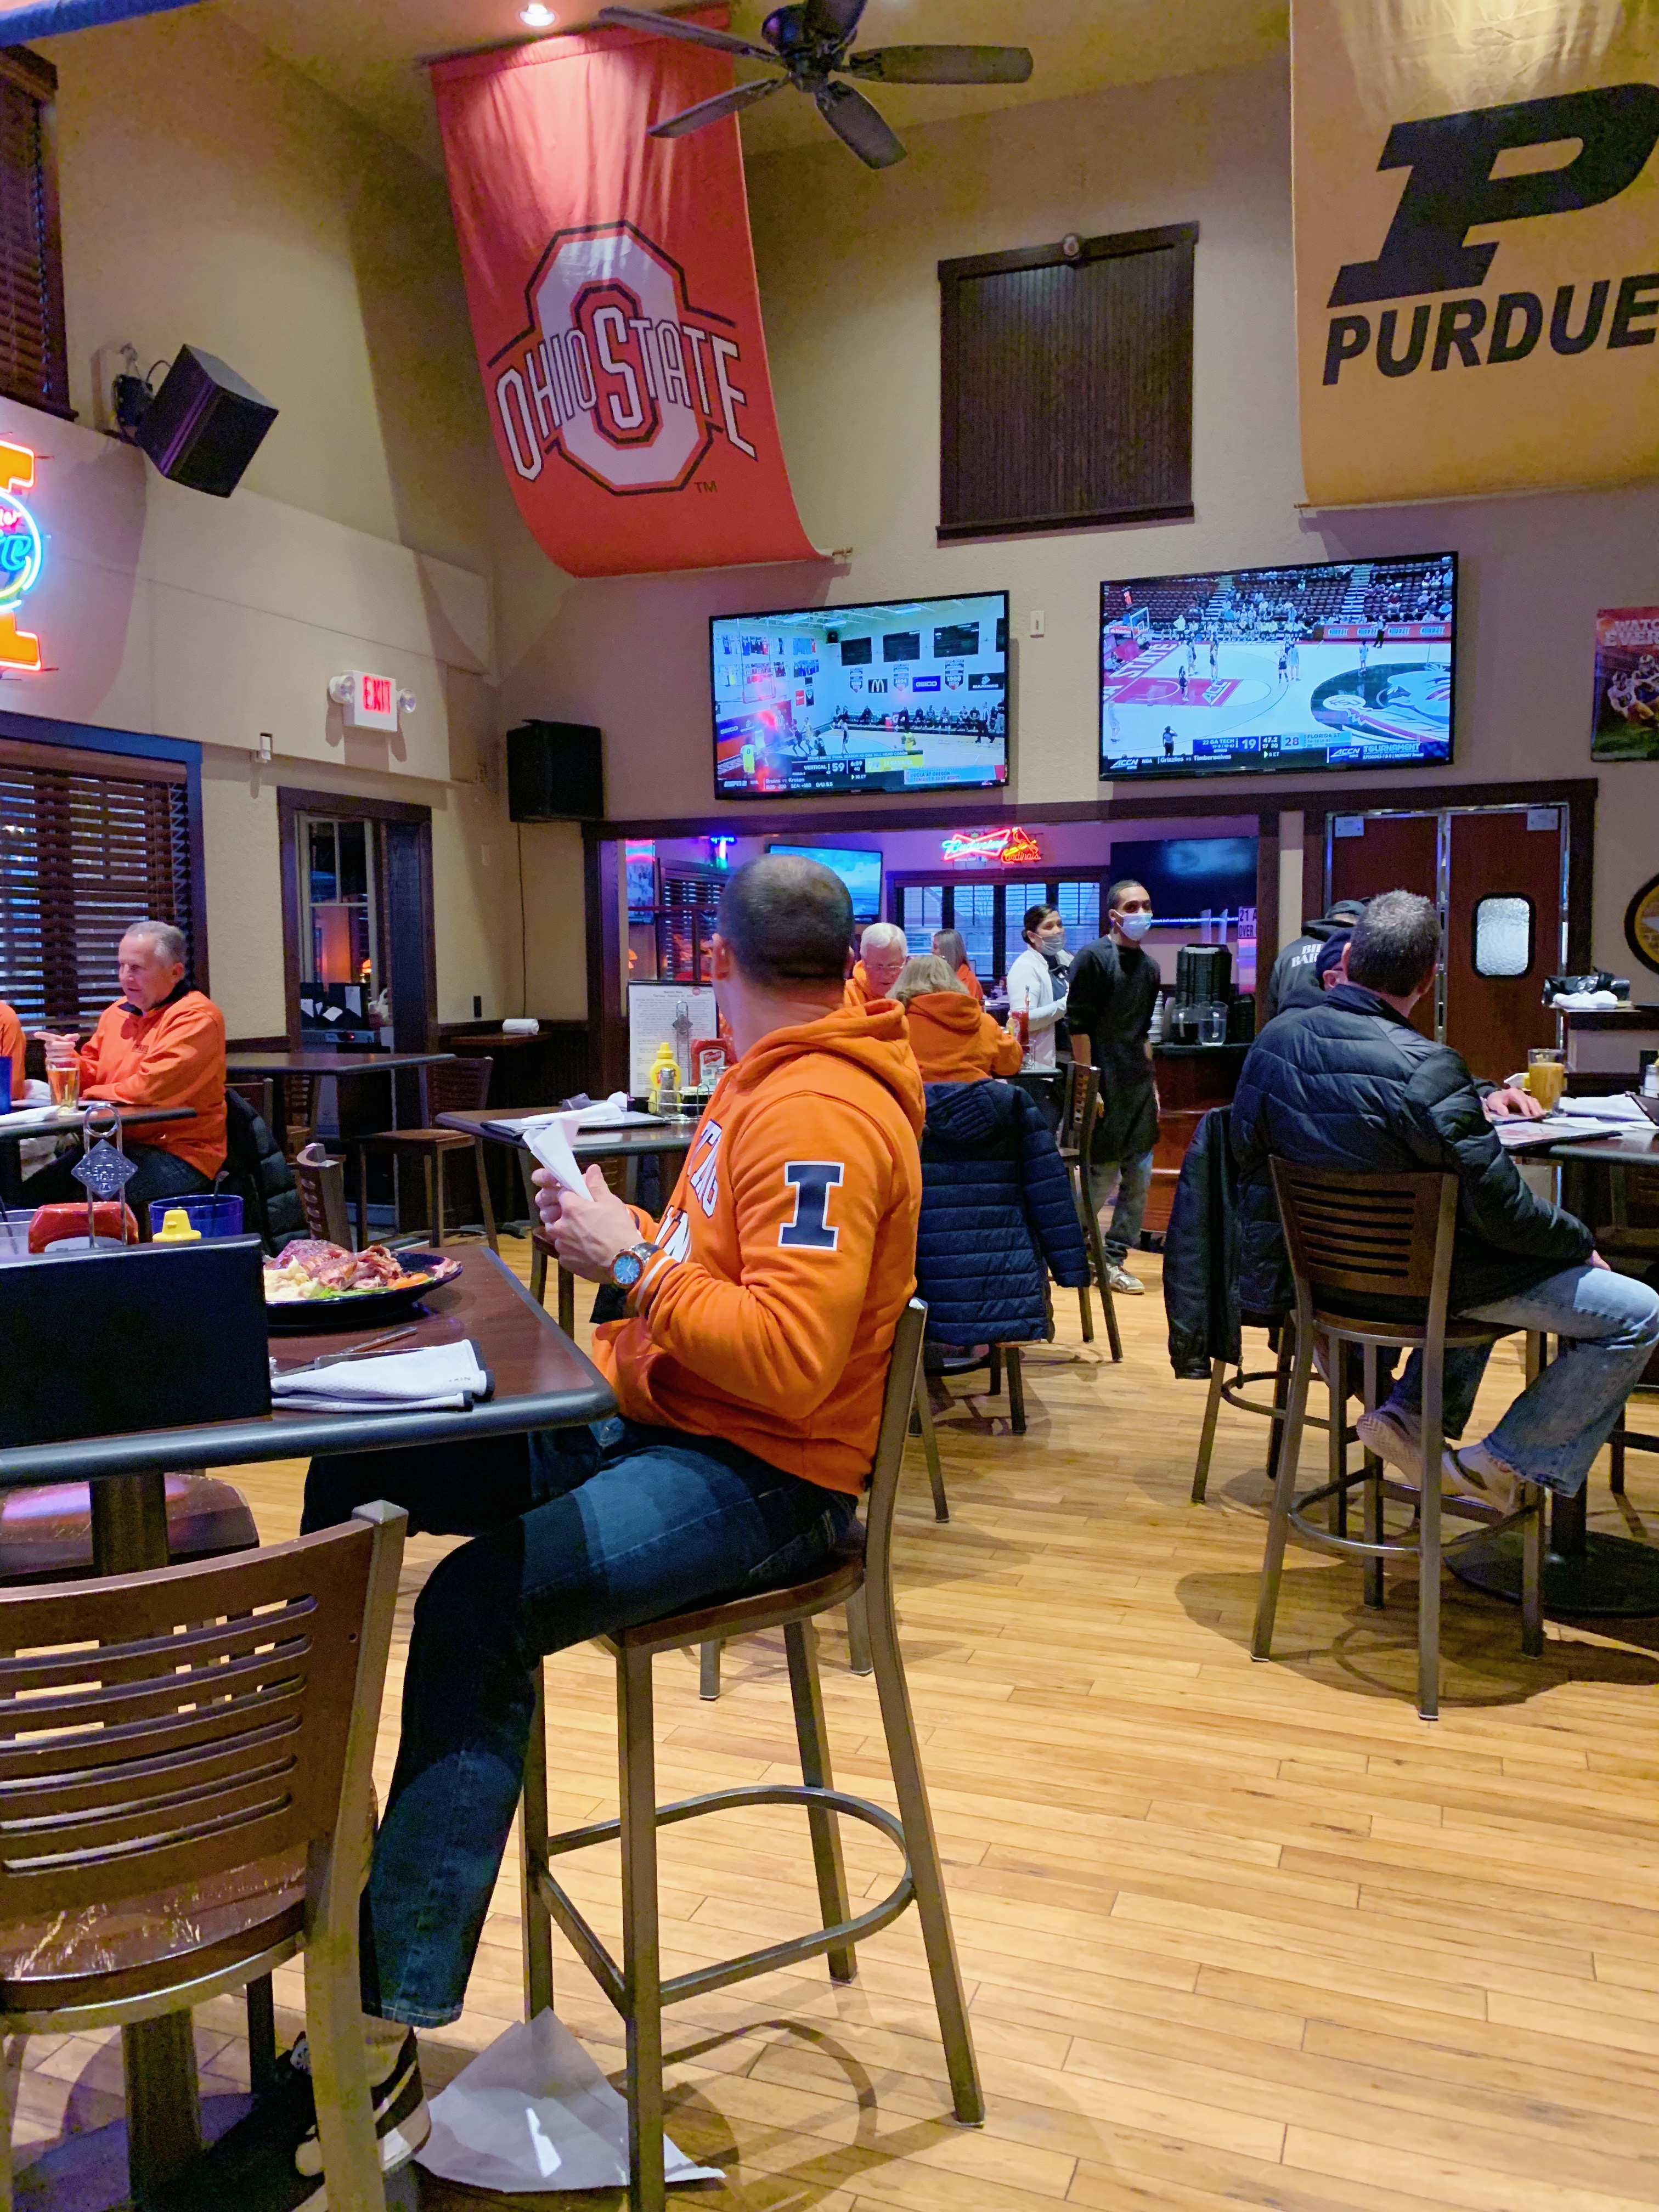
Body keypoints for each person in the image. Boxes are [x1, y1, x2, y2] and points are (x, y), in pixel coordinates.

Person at [289, 856, 924, 2192]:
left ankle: (382, 2013)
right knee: (357, 1469)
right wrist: (621, 1227)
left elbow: (792, 1360)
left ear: (715, 968)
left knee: (474, 1609)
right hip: (674, 1420)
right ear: (851, 967)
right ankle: (310, 1844)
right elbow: (728, 1277)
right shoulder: (779, 1078)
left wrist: (628, 1265)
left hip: (768, 1480)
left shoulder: (816, 1109)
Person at [1232, 889, 1659, 1506]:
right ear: (1430, 978)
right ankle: (1503, 1464)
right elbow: (1507, 1211)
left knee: (1483, 1259)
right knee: (1637, 1313)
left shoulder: (1274, 1042)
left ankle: (1409, 1416)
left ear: (1348, 960)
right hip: (1421, 1292)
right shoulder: (1429, 1068)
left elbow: (1248, 1156)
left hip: (1317, 1285)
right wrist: (1579, 1243)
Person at [31, 921, 227, 1212]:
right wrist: (67, 1060)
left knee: (72, 1204)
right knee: (28, 1195)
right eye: (122, 966)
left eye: (137, 968)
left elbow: (150, 1088)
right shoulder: (116, 1013)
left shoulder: (195, 1018)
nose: (125, 977)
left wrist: (95, 1093)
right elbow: (92, 1073)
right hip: (117, 1146)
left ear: (175, 973)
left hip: (179, 1153)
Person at [1066, 881, 1163, 1295]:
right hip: (1104, 1081)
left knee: (1139, 1177)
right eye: (1132, 905)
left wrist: (1153, 1083)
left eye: (1146, 904)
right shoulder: (1092, 959)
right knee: (1100, 1176)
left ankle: (1114, 1258)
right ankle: (1072, 1253)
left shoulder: (1151, 968)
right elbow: (1079, 1025)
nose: (1141, 911)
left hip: (1137, 1083)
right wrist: (1091, 1082)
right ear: (1115, 914)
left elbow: (1142, 1033)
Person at [894, 954, 1022, 1083]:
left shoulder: (898, 1026)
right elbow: (1011, 1065)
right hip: (976, 1101)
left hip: (920, 1101)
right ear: (953, 980)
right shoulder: (984, 1022)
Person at [1261, 897, 1367, 1023]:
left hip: (1290, 1033)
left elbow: (1271, 1009)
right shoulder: (1358, 951)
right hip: (1337, 1035)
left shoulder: (1289, 952)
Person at [1004, 903, 1068, 1074]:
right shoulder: (1025, 966)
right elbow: (1024, 1021)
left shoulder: (1065, 958)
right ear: (1032, 936)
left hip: (1071, 1058)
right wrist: (1066, 1004)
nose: (1057, 931)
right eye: (1049, 926)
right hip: (1041, 1064)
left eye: (1060, 924)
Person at [845, 919, 908, 1007]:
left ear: (904, 961)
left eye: (893, 967)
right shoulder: (846, 996)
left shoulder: (915, 995)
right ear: (864, 962)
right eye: (878, 967)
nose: (885, 975)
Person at [931, 926, 984, 1005]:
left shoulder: (969, 981)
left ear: (948, 952)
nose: (931, 951)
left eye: (935, 947)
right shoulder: (935, 976)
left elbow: (963, 1013)